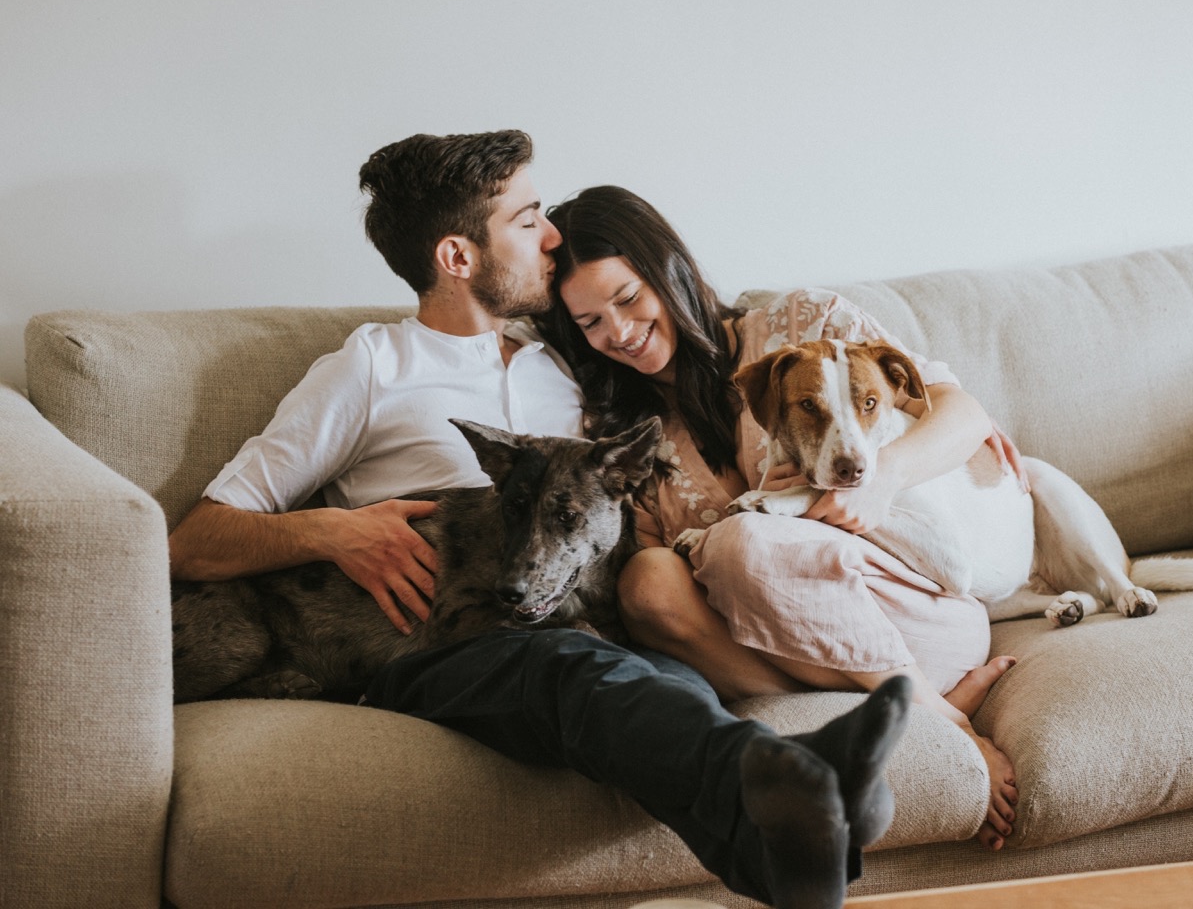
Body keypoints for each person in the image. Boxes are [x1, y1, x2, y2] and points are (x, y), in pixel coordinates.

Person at [167, 130, 914, 909]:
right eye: (527, 221)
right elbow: (195, 539)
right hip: (439, 638)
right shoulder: (370, 367)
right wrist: (334, 530)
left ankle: (795, 838)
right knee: (575, 670)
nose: (552, 234)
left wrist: (916, 440)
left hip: (569, 615)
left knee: (669, 682)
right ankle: (813, 788)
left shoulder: (568, 363)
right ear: (458, 257)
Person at [543, 186, 1028, 853]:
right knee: (649, 580)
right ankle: (900, 700)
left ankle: (936, 715)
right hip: (776, 638)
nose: (619, 332)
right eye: (591, 323)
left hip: (913, 614)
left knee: (743, 540)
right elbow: (662, 603)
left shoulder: (801, 322)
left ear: (669, 270)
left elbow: (960, 411)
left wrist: (884, 476)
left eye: (627, 298)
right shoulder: (631, 437)